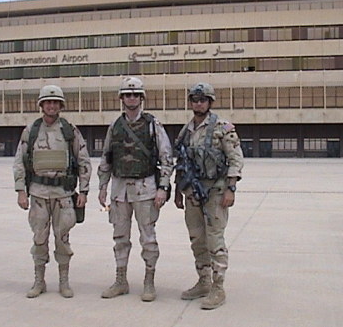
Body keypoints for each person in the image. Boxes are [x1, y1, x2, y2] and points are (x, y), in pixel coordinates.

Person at [97, 76, 173, 302]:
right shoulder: (115, 126)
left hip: (145, 188)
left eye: (135, 95)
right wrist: (102, 186)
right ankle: (121, 280)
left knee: (148, 237)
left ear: (141, 98)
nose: (131, 98)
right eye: (127, 95)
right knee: (120, 236)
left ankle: (149, 281)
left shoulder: (153, 125)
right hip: (120, 189)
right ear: (122, 98)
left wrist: (163, 187)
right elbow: (106, 157)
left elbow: (166, 157)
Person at [13, 84, 92, 299]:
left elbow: (84, 160)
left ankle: (64, 282)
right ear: (41, 105)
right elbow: (19, 161)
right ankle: (39, 281)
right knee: (39, 238)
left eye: (55, 102)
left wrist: (83, 191)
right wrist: (21, 190)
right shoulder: (31, 131)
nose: (51, 105)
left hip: (63, 194)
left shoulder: (69, 130)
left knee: (62, 238)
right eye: (48, 102)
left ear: (61, 105)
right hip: (38, 193)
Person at [174, 82, 244, 310]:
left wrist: (230, 189)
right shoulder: (187, 130)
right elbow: (181, 163)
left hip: (215, 191)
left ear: (210, 102)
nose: (198, 103)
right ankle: (203, 281)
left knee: (215, 240)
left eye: (202, 99)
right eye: (194, 99)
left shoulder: (222, 128)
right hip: (192, 193)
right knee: (197, 239)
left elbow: (235, 159)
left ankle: (218, 287)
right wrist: (178, 191)